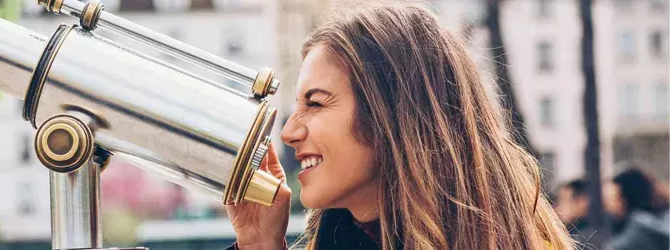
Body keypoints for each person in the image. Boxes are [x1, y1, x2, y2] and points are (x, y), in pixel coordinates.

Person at [225, 3, 573, 249]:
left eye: (314, 103)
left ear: (391, 115)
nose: (288, 132)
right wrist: (259, 244)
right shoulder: (336, 237)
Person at [603, 168, 670, 250]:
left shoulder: (638, 229)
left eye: (613, 199)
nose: (608, 205)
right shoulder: (657, 222)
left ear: (626, 198)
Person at [554, 180, 595, 245]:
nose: (558, 207)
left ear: (581, 202)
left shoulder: (589, 239)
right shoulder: (568, 234)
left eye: (564, 200)